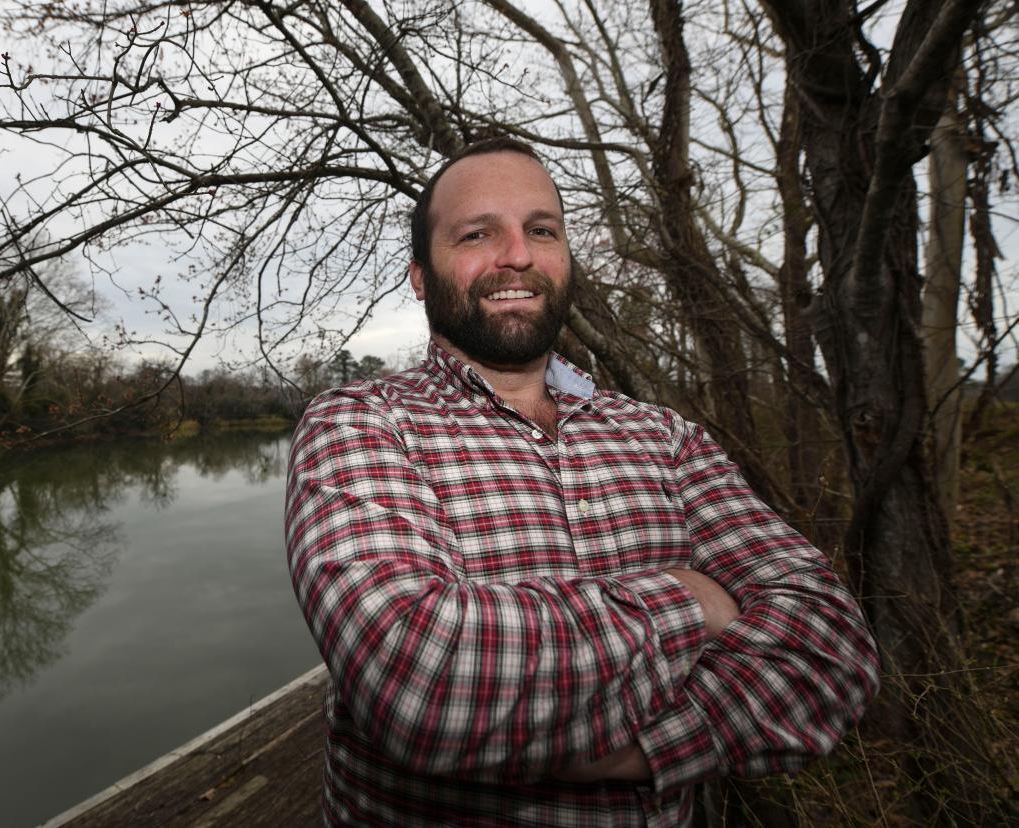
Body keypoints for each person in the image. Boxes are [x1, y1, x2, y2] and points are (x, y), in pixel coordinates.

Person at [285, 137, 879, 826]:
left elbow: (832, 650)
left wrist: (647, 751)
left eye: (541, 230)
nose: (518, 255)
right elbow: (420, 683)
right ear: (421, 275)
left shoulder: (665, 437)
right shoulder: (361, 424)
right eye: (478, 233)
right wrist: (691, 601)